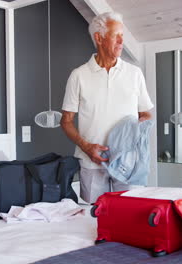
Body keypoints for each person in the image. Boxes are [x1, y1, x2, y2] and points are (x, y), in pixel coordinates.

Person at [60, 12, 154, 204]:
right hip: (91, 162)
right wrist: (87, 147)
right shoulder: (78, 75)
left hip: (128, 163)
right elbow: (66, 121)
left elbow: (145, 114)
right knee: (94, 218)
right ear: (99, 37)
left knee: (129, 215)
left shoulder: (134, 73)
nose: (121, 41)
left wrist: (130, 140)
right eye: (115, 35)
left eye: (122, 36)